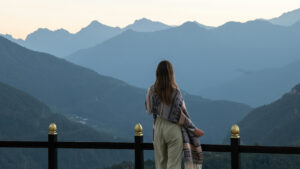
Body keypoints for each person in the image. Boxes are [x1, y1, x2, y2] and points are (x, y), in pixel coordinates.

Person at [145, 60, 204, 169]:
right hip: (173, 128)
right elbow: (181, 115)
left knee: (160, 164)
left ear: (157, 73)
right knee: (173, 165)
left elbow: (148, 110)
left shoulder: (151, 90)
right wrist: (194, 129)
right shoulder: (175, 92)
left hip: (158, 127)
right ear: (171, 74)